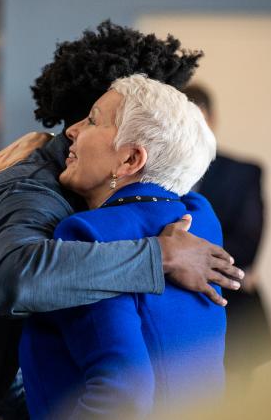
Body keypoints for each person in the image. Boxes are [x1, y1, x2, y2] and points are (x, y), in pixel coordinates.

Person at [0, 21, 243, 420]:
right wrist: (159, 256)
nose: (72, 131)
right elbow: (10, 280)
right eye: (88, 117)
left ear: (130, 158)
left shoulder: (170, 217)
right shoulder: (45, 197)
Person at [20, 75, 225, 419]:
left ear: (130, 160)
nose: (72, 130)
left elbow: (122, 395)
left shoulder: (91, 234)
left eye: (93, 120)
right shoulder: (201, 218)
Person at [184, 84, 271, 374]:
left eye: (199, 121)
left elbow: (247, 247)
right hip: (177, 318)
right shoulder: (155, 176)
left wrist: (179, 255)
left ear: (213, 121)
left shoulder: (243, 172)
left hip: (234, 312)